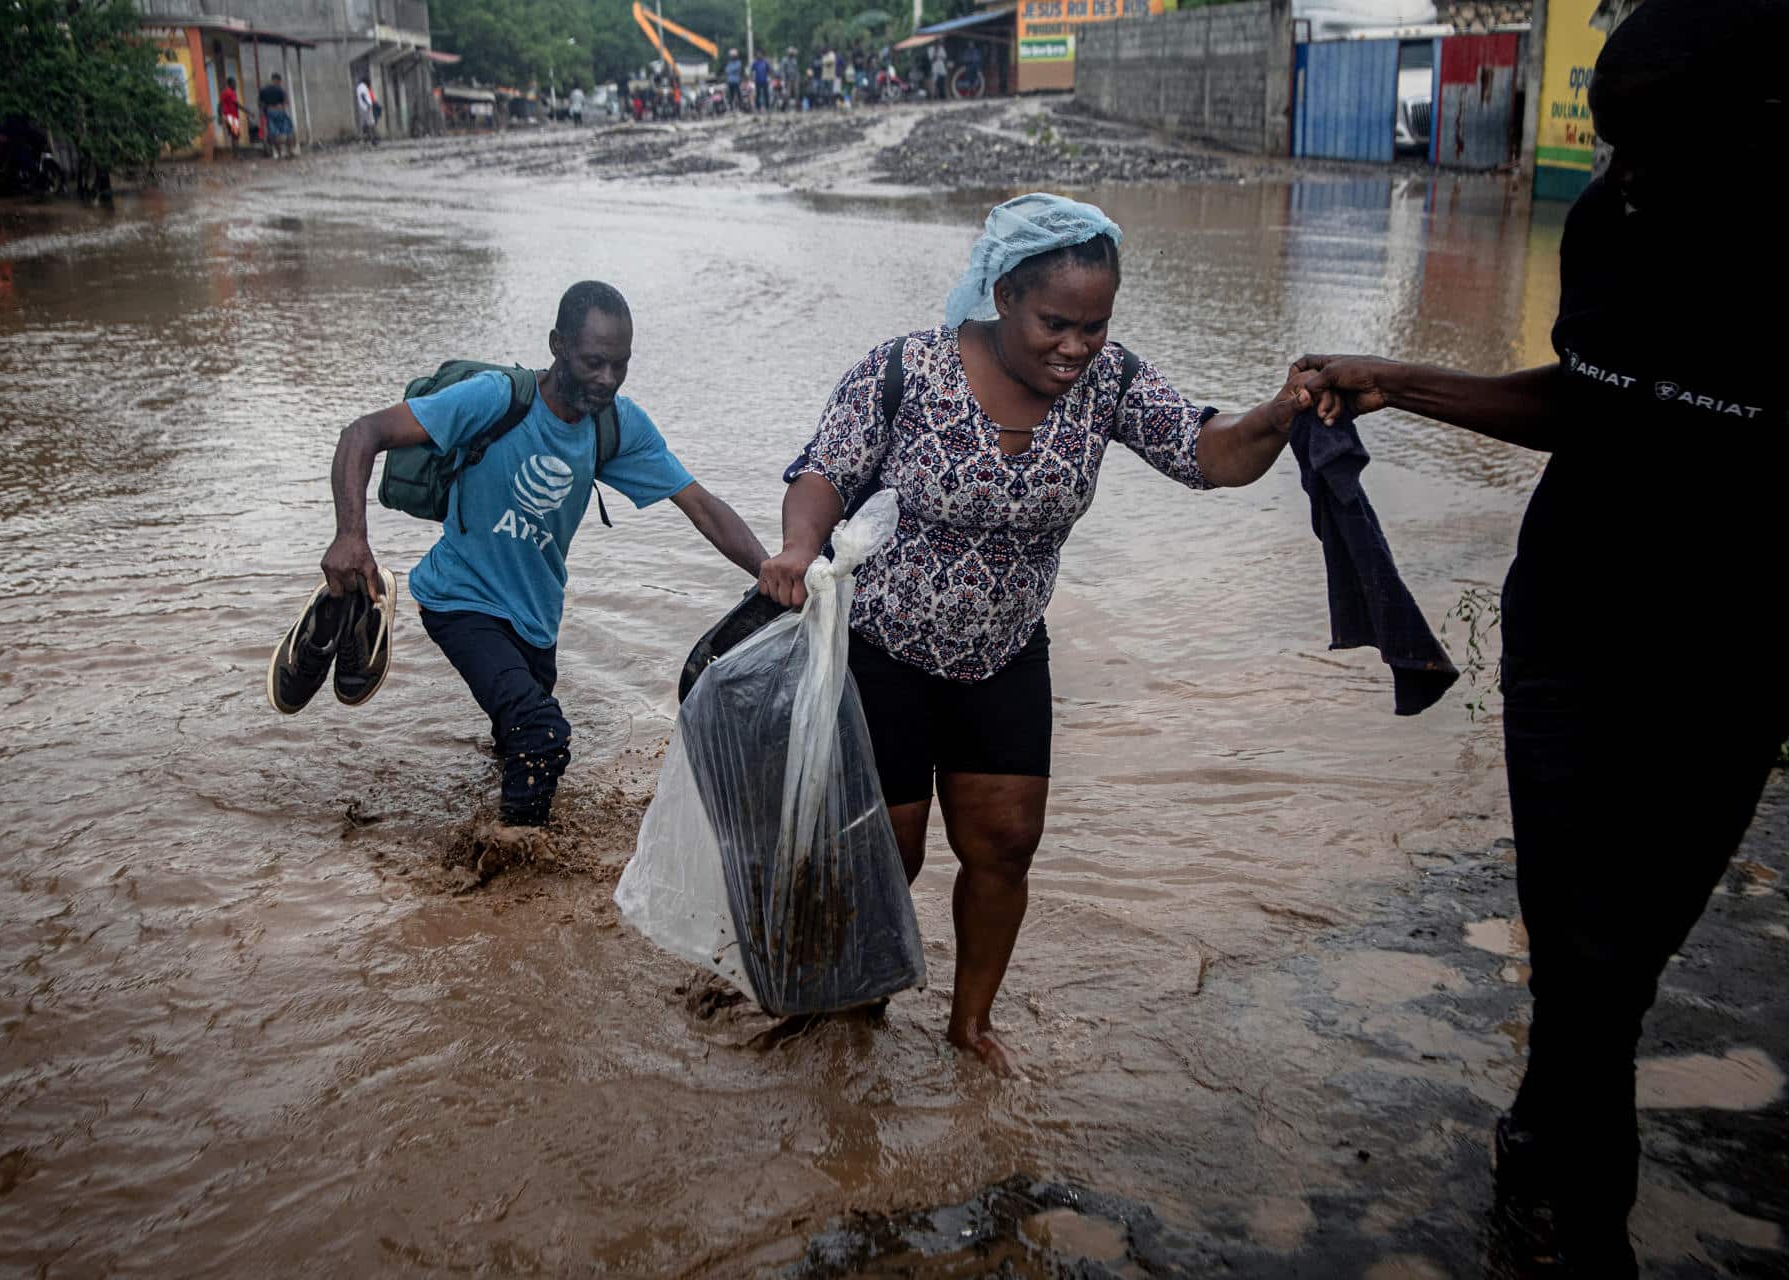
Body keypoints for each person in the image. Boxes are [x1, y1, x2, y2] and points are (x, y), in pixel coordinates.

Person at [1287, 2, 1786, 1270]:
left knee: (1620, 965)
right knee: (1583, 945)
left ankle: (1537, 1136)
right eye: (1612, 146)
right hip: (1570, 621)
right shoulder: (1607, 223)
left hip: (1733, 655)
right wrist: (1401, 379)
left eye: (1651, 151)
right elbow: (1592, 400)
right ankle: (1585, 1228)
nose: (1622, 176)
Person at [760, 195, 1302, 1073]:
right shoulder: (907, 369)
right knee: (884, 853)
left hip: (1006, 654)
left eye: (1095, 326)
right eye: (1057, 322)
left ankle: (969, 1025)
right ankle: (856, 1009)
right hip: (883, 652)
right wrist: (796, 546)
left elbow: (1211, 455)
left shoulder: (1110, 384)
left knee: (1005, 844)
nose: (1076, 347)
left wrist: (1276, 415)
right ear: (1003, 294)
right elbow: (826, 469)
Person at [319, 282, 768, 872]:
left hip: (535, 621)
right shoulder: (495, 399)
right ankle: (503, 892)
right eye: (593, 362)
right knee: (543, 735)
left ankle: (490, 838)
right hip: (461, 600)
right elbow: (363, 434)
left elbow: (701, 505)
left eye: (621, 365)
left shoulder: (616, 426)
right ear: (557, 345)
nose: (608, 378)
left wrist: (774, 572)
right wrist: (351, 534)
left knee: (515, 748)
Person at [257, 72, 294, 159]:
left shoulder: (264, 90)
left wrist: (262, 113)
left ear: (272, 79)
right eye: (280, 81)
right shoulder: (280, 90)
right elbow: (286, 101)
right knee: (288, 131)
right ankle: (289, 152)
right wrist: (281, 105)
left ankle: (279, 154)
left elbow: (260, 103)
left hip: (270, 112)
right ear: (277, 80)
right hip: (280, 111)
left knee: (274, 134)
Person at [218, 77, 244, 153]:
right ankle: (238, 154)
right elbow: (237, 104)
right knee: (236, 136)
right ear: (230, 84)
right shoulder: (231, 93)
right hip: (232, 117)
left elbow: (219, 105)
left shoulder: (224, 93)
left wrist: (219, 116)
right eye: (234, 83)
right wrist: (248, 111)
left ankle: (235, 154)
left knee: (233, 135)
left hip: (227, 116)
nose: (235, 85)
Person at [356, 77, 377, 144]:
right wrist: (368, 104)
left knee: (365, 125)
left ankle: (365, 140)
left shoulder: (359, 87)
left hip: (363, 107)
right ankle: (373, 140)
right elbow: (363, 96)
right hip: (366, 107)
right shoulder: (363, 87)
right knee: (371, 124)